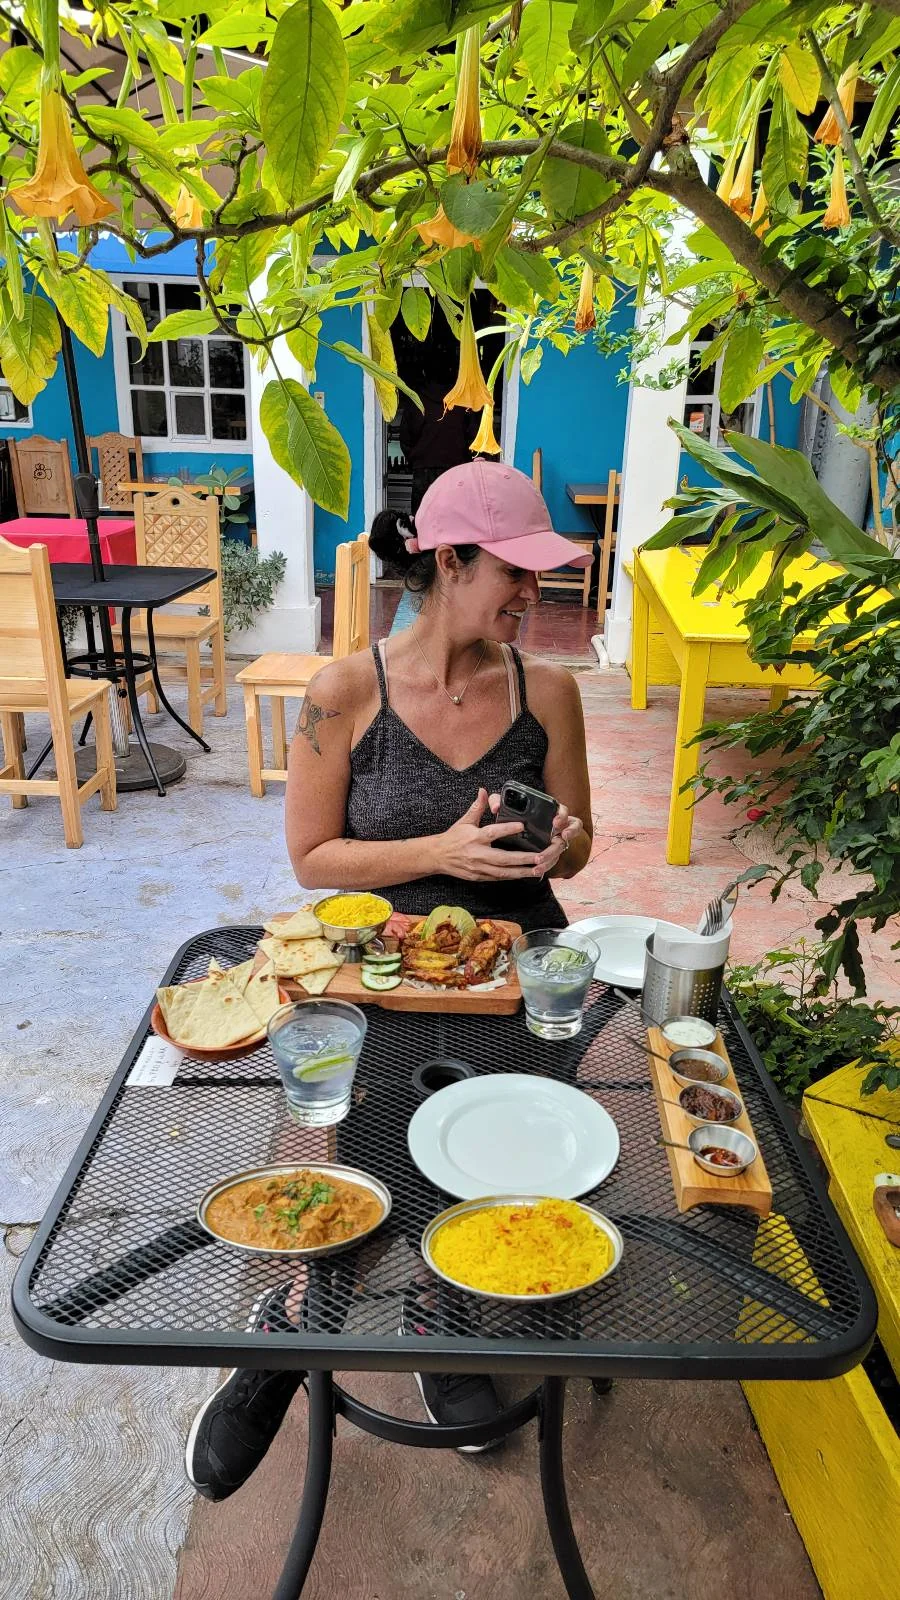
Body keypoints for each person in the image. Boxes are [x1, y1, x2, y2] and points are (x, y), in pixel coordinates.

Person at [185, 460, 593, 1502]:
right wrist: (441, 853)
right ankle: (292, 1330)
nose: (531, 596)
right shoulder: (345, 690)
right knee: (379, 1143)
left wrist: (568, 844)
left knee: (504, 1145)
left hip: (511, 963)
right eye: (514, 572)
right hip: (379, 966)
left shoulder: (547, 688)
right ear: (449, 562)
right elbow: (313, 859)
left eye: (540, 577)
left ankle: (435, 1309)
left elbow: (577, 858)